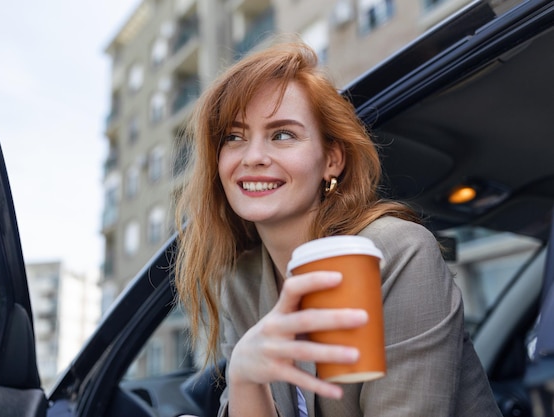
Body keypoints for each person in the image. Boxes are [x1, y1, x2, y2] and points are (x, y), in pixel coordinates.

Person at [174, 38, 501, 417]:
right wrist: (245, 377)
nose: (254, 157)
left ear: (332, 159)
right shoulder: (241, 282)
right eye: (234, 137)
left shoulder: (395, 251)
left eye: (283, 134)